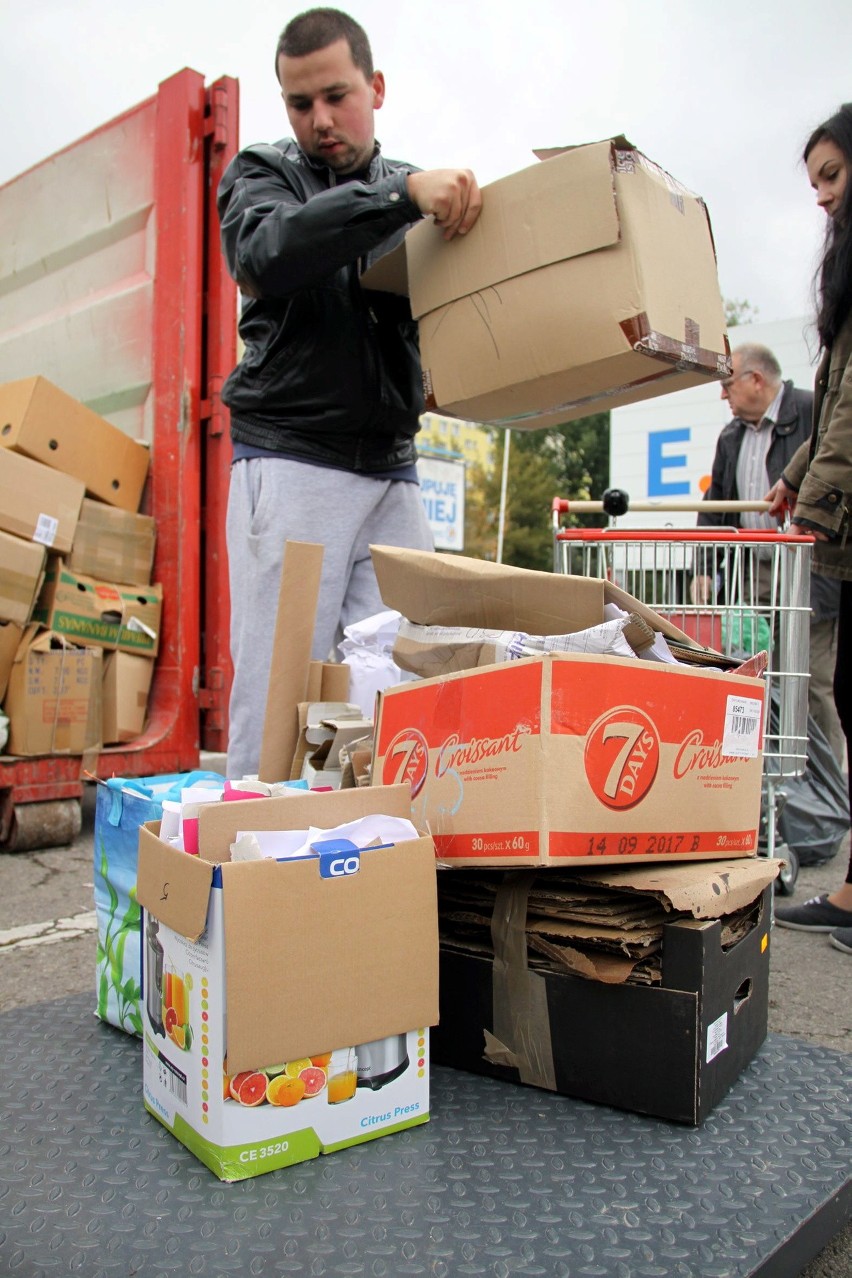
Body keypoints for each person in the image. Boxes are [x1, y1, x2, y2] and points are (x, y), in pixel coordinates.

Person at [217, 8, 482, 779]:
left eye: (337, 95)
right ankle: (245, 879)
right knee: (278, 692)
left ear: (378, 87)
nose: (320, 120)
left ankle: (366, 867)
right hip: (296, 460)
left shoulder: (411, 190)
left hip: (394, 472)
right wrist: (402, 200)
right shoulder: (264, 176)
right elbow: (269, 251)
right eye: (300, 104)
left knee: (397, 683)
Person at [767, 104, 852, 956]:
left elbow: (850, 417)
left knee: (831, 693)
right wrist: (795, 482)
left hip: (843, 528)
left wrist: (813, 512)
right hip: (835, 516)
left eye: (832, 176)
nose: (822, 197)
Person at [694, 343, 844, 762]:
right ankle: (760, 774)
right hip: (753, 573)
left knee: (810, 679)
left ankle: (825, 782)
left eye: (727, 385)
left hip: (809, 571)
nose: (724, 395)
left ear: (755, 380)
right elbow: (716, 506)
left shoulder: (815, 413)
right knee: (753, 674)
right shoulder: (730, 436)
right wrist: (705, 568)